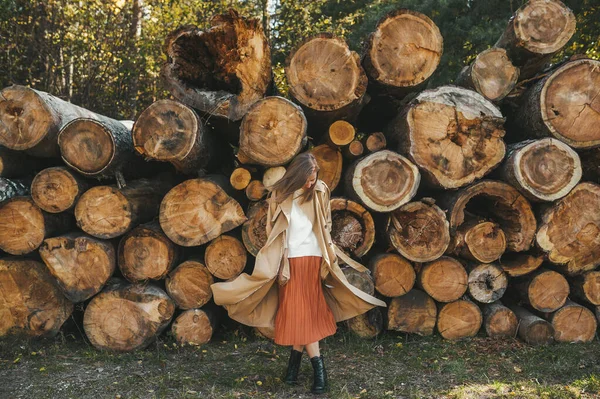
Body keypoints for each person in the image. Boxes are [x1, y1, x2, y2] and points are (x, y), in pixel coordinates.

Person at [211, 152, 386, 394]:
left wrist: (329, 250)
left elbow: (325, 223)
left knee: (303, 312)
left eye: (313, 179)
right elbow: (273, 229)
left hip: (313, 258)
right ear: (297, 174)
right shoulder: (280, 195)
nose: (310, 183)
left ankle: (313, 372)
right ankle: (297, 368)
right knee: (298, 313)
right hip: (288, 262)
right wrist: (277, 258)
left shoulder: (320, 190)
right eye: (307, 179)